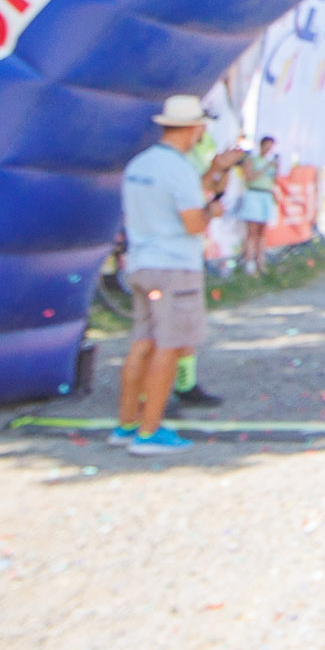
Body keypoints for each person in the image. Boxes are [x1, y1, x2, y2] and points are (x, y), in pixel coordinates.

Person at [114, 95, 238, 456]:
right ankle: (149, 431)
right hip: (173, 268)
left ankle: (127, 424)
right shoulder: (178, 169)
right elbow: (194, 222)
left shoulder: (140, 164)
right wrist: (212, 211)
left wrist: (216, 171)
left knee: (142, 343)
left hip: (141, 263)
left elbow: (185, 194)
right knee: (170, 346)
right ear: (193, 128)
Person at [237, 135, 280, 277]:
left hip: (266, 195)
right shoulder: (252, 160)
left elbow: (273, 181)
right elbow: (250, 178)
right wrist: (266, 167)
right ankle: (249, 261)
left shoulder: (271, 163)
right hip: (253, 194)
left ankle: (260, 261)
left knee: (262, 232)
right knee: (252, 231)